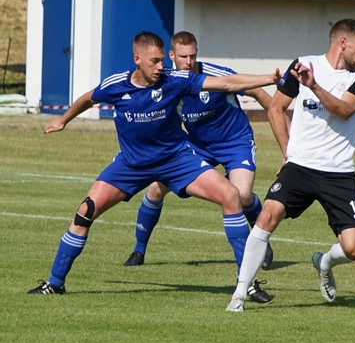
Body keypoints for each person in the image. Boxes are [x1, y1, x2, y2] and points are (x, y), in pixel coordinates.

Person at [28, 31, 279, 296]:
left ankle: (247, 283)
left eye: (162, 60)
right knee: (85, 212)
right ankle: (55, 283)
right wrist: (63, 120)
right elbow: (88, 98)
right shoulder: (116, 84)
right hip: (131, 164)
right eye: (154, 61)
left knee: (231, 195)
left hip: (176, 159)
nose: (161, 67)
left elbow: (227, 84)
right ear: (137, 59)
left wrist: (270, 78)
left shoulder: (175, 80)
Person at [228, 18, 355, 312]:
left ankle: (324, 262)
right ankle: (239, 295)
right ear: (343, 43)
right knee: (267, 215)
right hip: (300, 167)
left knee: (354, 248)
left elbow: (344, 110)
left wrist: (313, 86)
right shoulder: (302, 64)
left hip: (338, 172)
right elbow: (275, 108)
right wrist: (287, 153)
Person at [125, 31, 276, 282]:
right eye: (183, 56)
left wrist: (279, 115)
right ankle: (139, 251)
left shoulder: (215, 74)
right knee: (155, 188)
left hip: (234, 142)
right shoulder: (166, 80)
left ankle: (260, 240)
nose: (189, 61)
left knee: (242, 195)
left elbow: (257, 92)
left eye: (193, 56)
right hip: (197, 144)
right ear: (171, 55)